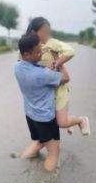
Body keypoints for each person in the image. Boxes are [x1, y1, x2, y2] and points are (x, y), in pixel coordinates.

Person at [14, 32, 70, 172]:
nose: (42, 54)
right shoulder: (43, 75)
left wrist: (47, 68)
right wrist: (58, 61)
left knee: (40, 142)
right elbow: (66, 78)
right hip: (45, 119)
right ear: (26, 54)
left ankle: (22, 160)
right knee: (53, 153)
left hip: (30, 115)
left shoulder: (18, 67)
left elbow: (37, 72)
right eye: (38, 52)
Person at [26, 17, 90, 136]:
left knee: (61, 122)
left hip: (59, 87)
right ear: (34, 32)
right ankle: (68, 122)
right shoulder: (29, 46)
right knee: (53, 120)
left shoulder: (52, 43)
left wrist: (57, 62)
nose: (47, 34)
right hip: (45, 90)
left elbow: (71, 51)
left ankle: (81, 120)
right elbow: (23, 64)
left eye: (48, 32)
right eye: (44, 31)